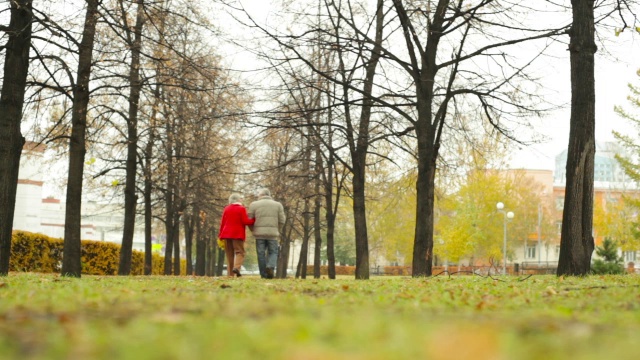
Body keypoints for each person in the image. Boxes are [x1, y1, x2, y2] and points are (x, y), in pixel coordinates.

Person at [248, 188, 286, 279]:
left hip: (259, 234)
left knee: (261, 254)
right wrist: (277, 229)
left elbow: (249, 220)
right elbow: (282, 220)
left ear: (261, 195)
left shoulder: (254, 204)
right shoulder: (278, 205)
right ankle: (270, 266)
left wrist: (253, 230)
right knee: (273, 252)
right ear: (269, 195)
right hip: (272, 234)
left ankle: (263, 274)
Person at [218, 193, 255, 277]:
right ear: (238, 200)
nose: (242, 200)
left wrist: (220, 235)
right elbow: (245, 221)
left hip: (226, 234)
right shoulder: (241, 209)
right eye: (241, 198)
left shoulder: (226, 208)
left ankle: (230, 275)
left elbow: (222, 223)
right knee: (240, 252)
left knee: (229, 255)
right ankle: (236, 268)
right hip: (237, 234)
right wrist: (254, 220)